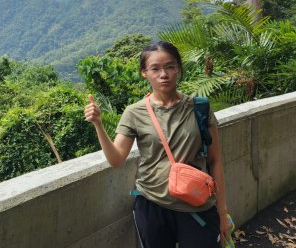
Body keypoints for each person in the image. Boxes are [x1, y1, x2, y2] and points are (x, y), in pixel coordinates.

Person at [84, 41, 231, 248]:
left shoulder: (200, 108)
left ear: (178, 68)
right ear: (144, 72)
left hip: (197, 204)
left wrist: (222, 212)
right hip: (152, 204)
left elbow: (215, 161)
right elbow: (116, 160)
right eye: (155, 68)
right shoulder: (134, 112)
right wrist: (98, 125)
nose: (164, 74)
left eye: (170, 66)